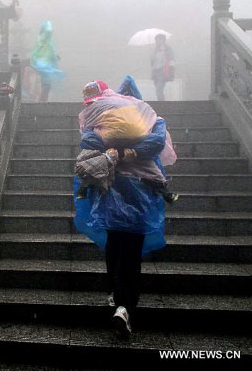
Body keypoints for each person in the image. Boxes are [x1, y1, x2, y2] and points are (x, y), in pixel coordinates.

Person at [74, 80, 176, 336]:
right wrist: (130, 151)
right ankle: (124, 305)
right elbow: (155, 144)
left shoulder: (99, 116)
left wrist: (116, 152)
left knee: (114, 242)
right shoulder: (153, 118)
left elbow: (88, 140)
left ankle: (117, 294)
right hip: (140, 188)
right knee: (131, 247)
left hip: (111, 187)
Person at [30, 21, 64, 101]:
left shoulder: (45, 40)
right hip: (43, 64)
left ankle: (43, 99)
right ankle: (43, 100)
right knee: (46, 83)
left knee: (46, 83)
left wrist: (55, 57)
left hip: (44, 64)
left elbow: (49, 51)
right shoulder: (43, 39)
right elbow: (45, 51)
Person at [150, 34, 175, 101]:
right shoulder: (155, 50)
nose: (156, 42)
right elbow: (152, 63)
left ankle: (162, 105)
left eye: (157, 40)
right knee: (158, 90)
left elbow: (171, 61)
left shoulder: (168, 49)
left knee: (159, 90)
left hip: (163, 72)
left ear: (163, 40)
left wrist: (171, 73)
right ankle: (162, 103)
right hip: (155, 72)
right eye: (156, 40)